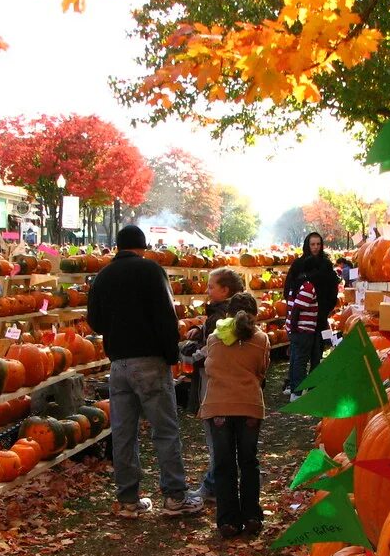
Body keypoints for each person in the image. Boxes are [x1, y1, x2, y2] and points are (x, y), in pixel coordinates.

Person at [87, 225, 203, 518]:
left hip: (118, 364)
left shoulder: (103, 276)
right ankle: (175, 497)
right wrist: (170, 355)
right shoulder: (151, 271)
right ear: (142, 247)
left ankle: (128, 500)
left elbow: (95, 322)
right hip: (150, 361)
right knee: (164, 430)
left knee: (124, 433)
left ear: (118, 247)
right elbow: (166, 315)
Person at [200, 292, 270, 538]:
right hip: (249, 405)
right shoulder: (261, 339)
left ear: (228, 314)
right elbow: (262, 370)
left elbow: (209, 367)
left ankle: (227, 521)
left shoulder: (213, 338)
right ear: (256, 315)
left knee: (224, 463)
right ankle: (251, 515)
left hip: (218, 406)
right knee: (249, 462)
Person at [182, 267, 245, 503]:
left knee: (216, 439)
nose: (206, 290)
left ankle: (214, 485)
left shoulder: (221, 319)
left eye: (211, 287)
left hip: (214, 385)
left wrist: (191, 356)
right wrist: (200, 328)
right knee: (224, 438)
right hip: (230, 386)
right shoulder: (232, 312)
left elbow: (215, 349)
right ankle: (219, 482)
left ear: (225, 290)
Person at [284, 257, 320, 399]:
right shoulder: (307, 286)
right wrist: (294, 328)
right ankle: (297, 392)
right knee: (300, 361)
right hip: (302, 330)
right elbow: (297, 310)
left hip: (294, 330)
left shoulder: (295, 286)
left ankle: (293, 389)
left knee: (294, 360)